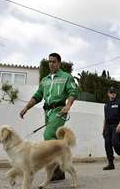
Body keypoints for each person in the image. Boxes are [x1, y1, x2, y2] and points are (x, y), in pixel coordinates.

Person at [19, 53, 78, 181]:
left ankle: (56, 171)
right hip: (47, 111)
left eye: (54, 62)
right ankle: (61, 168)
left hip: (59, 111)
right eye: (49, 62)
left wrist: (68, 106)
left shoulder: (66, 77)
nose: (51, 64)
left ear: (59, 63)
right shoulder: (45, 80)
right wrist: (26, 108)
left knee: (48, 135)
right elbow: (38, 96)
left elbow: (73, 92)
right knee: (53, 141)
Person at [102, 87, 120, 170]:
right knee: (107, 145)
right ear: (108, 94)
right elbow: (105, 118)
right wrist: (103, 129)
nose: (112, 94)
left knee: (115, 143)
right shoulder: (106, 105)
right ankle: (111, 163)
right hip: (107, 127)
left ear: (116, 94)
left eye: (114, 92)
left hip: (116, 125)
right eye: (111, 92)